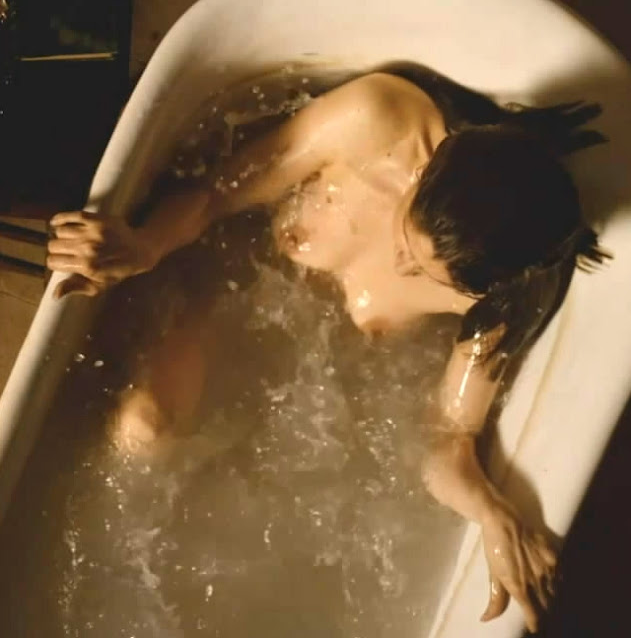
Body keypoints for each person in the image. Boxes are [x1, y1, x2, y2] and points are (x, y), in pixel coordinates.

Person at [46, 63, 608, 632]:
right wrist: (144, 246)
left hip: (314, 377)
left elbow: (447, 434)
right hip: (231, 290)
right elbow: (215, 196)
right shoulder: (377, 123)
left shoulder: (504, 298)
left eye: (426, 274)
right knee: (140, 430)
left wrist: (491, 511)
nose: (400, 264)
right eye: (408, 238)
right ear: (432, 166)